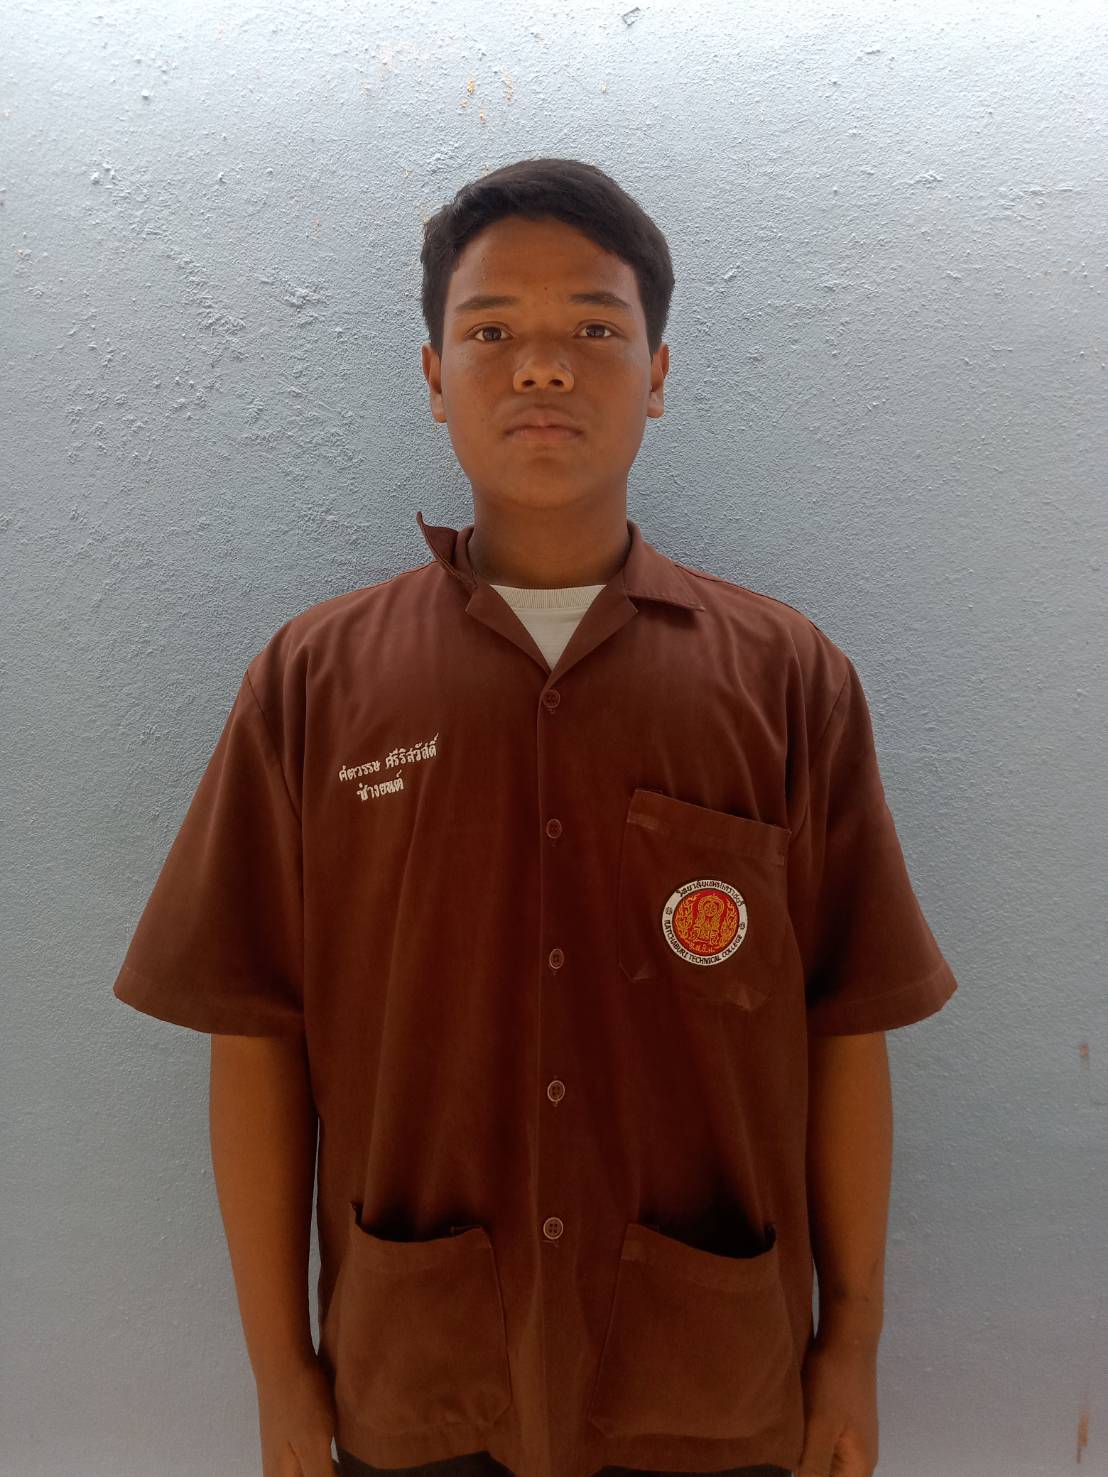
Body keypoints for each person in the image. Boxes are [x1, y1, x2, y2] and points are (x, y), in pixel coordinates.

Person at [113, 157, 958, 1477]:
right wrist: (281, 1371)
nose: (545, 365)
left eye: (596, 330)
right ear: (434, 376)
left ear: (659, 374)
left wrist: (850, 1337)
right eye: (493, 329)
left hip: (709, 1382)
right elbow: (257, 1034)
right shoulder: (315, 681)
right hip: (418, 1381)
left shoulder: (785, 680)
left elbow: (846, 1024)